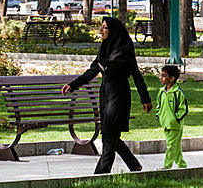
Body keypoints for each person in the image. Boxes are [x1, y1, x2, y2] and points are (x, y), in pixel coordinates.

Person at [62, 16, 153, 174]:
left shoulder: (125, 50)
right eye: (102, 27)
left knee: (109, 135)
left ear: (113, 31)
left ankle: (101, 174)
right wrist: (72, 85)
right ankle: (134, 165)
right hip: (105, 96)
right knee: (111, 136)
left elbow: (136, 75)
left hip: (119, 96)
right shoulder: (104, 48)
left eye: (104, 28)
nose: (101, 31)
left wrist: (145, 99)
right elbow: (92, 71)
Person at [156, 64, 188, 169]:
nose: (161, 78)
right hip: (165, 123)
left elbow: (183, 108)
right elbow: (158, 105)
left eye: (164, 76)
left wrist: (176, 118)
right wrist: (159, 115)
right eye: (161, 75)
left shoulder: (177, 93)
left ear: (172, 79)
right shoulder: (161, 92)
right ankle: (182, 165)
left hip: (174, 125)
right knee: (175, 146)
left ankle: (167, 166)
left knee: (171, 146)